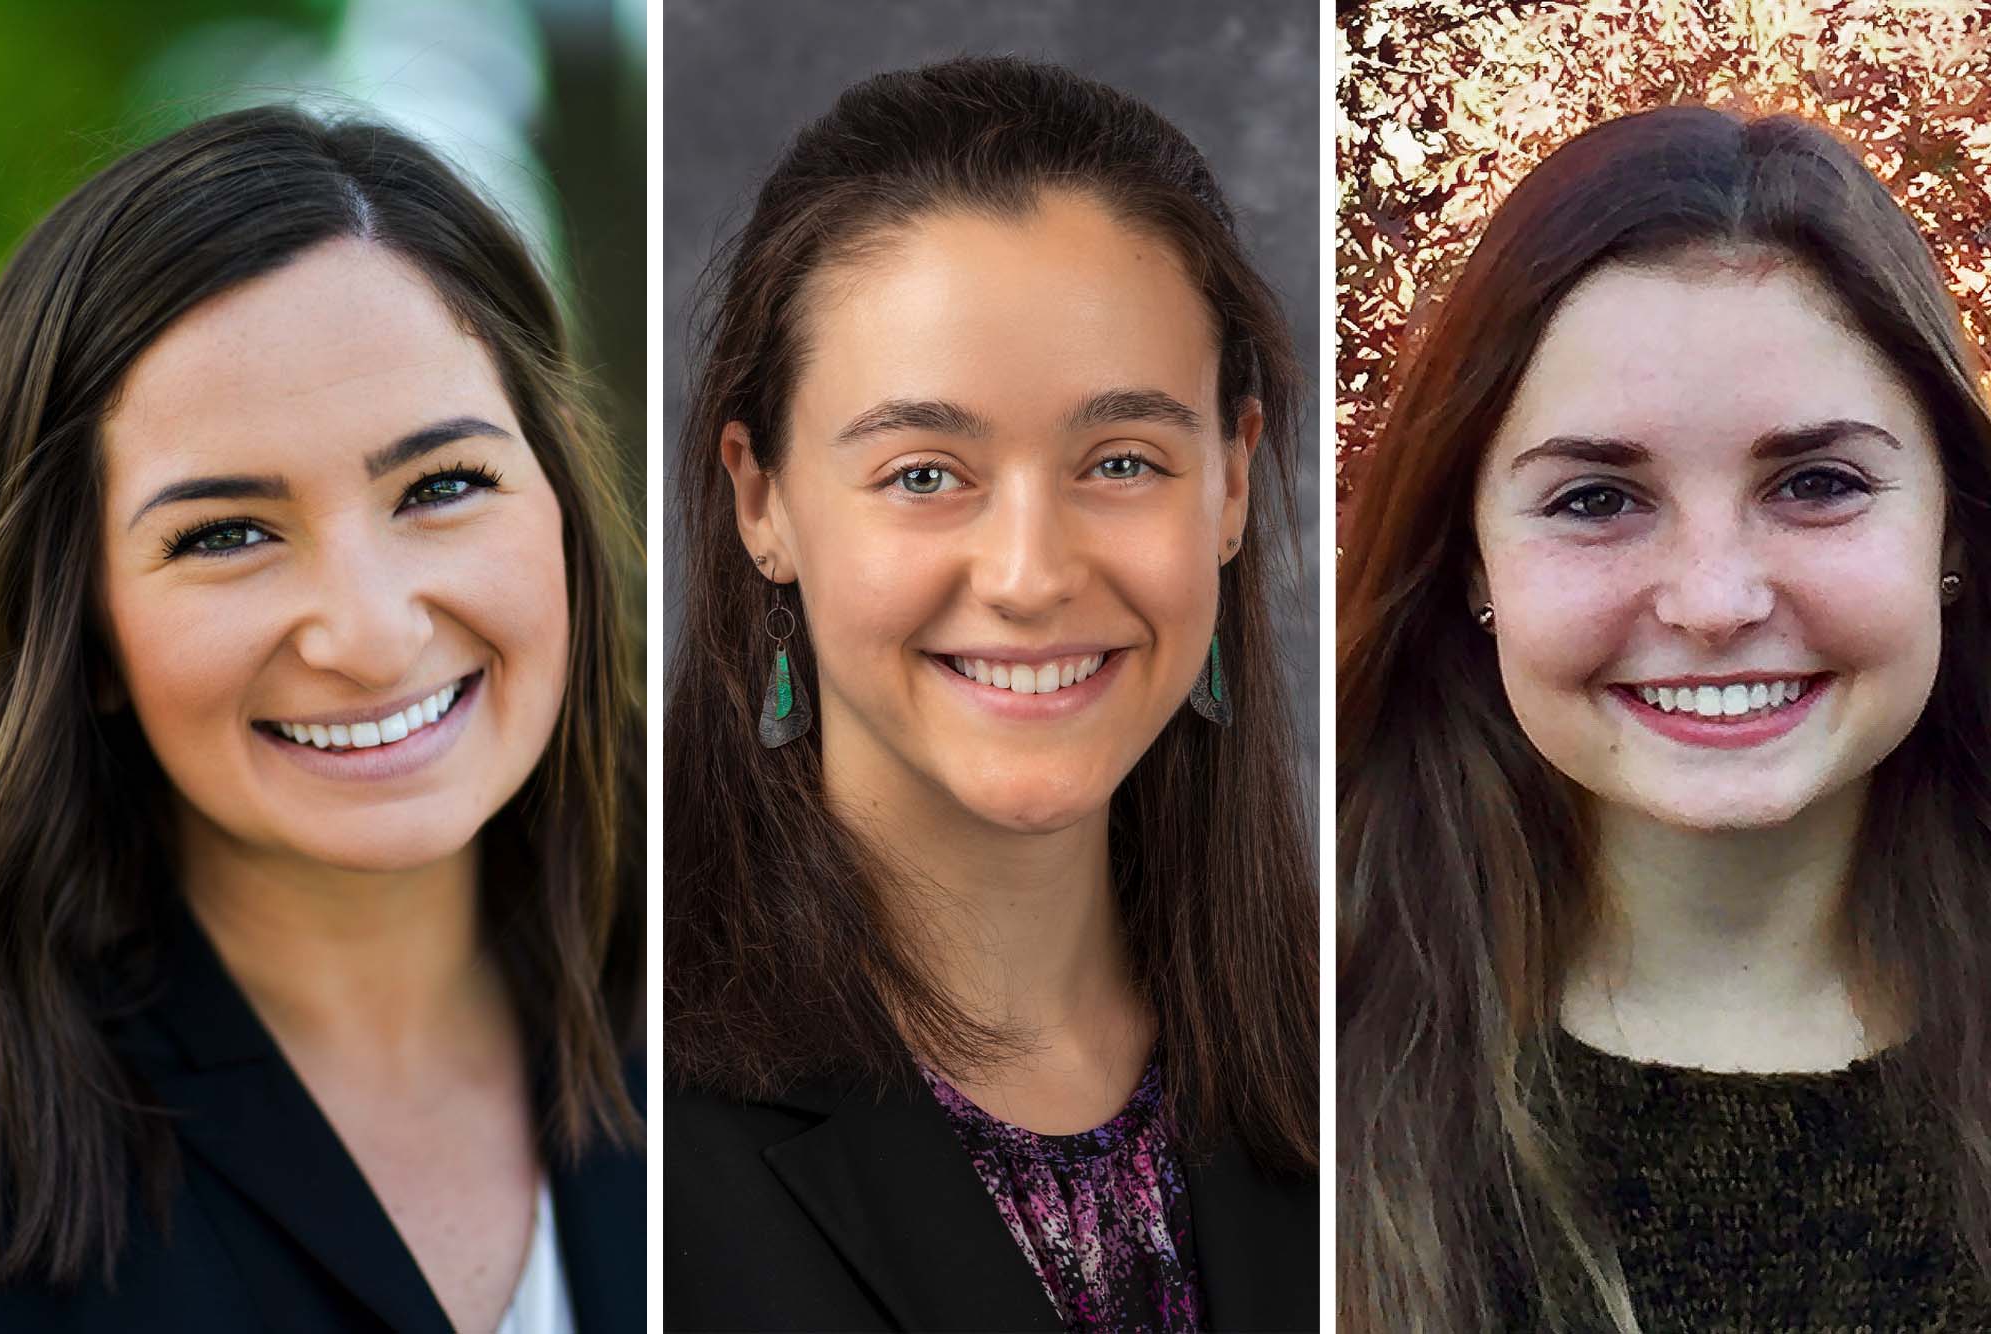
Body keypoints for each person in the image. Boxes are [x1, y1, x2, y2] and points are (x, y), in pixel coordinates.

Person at [663, 55, 1319, 1333]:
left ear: (1230, 484)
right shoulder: (635, 1122)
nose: (1029, 575)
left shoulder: (1351, 1064)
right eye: (924, 473)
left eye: (1119, 459)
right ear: (762, 500)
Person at [0, 106, 646, 1333]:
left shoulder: (747, 1007)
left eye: (442, 485)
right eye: (225, 533)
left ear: (556, 499)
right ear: (82, 633)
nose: (372, 633)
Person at [1339, 102, 1991, 1331]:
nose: (1711, 601)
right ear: (1472, 565)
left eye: (1815, 484)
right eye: (1593, 498)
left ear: (1949, 531)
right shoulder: (1283, 1060)